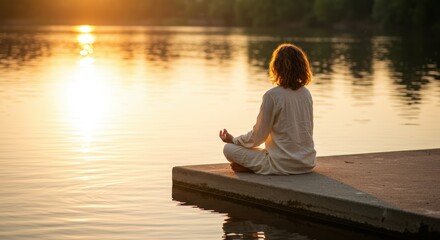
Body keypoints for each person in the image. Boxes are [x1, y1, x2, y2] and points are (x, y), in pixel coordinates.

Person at [219, 43, 316, 175]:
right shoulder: (306, 94)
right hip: (306, 163)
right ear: (302, 67)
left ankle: (256, 167)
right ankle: (255, 166)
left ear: (276, 67)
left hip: (281, 165)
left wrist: (234, 140)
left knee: (228, 149)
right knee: (263, 150)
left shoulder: (273, 95)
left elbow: (258, 137)